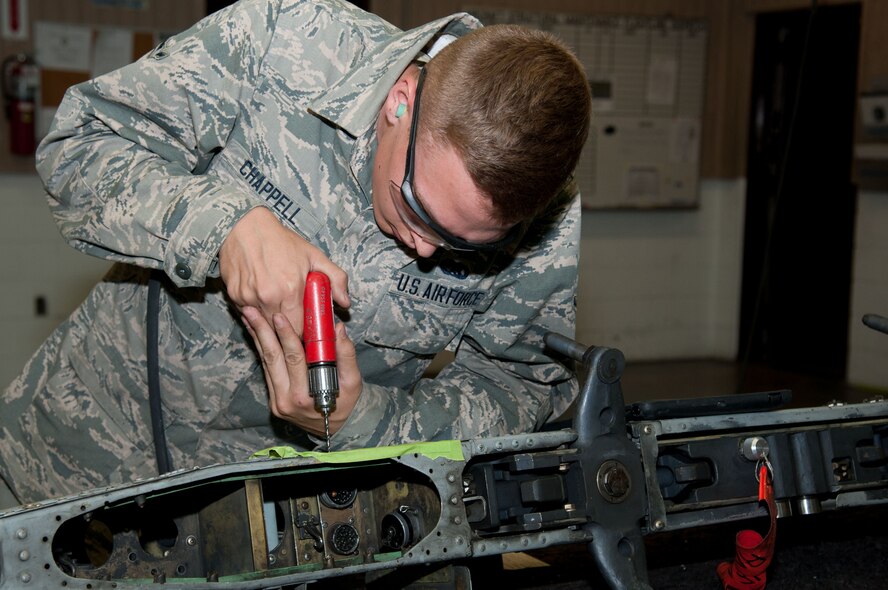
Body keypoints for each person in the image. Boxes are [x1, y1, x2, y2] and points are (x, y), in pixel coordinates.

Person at [0, 0, 591, 505]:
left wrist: (367, 421)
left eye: (464, 245)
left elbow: (520, 386)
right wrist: (227, 225)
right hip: (65, 452)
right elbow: (81, 145)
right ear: (400, 101)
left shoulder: (548, 214)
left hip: (267, 520)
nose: (425, 248)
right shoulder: (287, 40)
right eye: (415, 207)